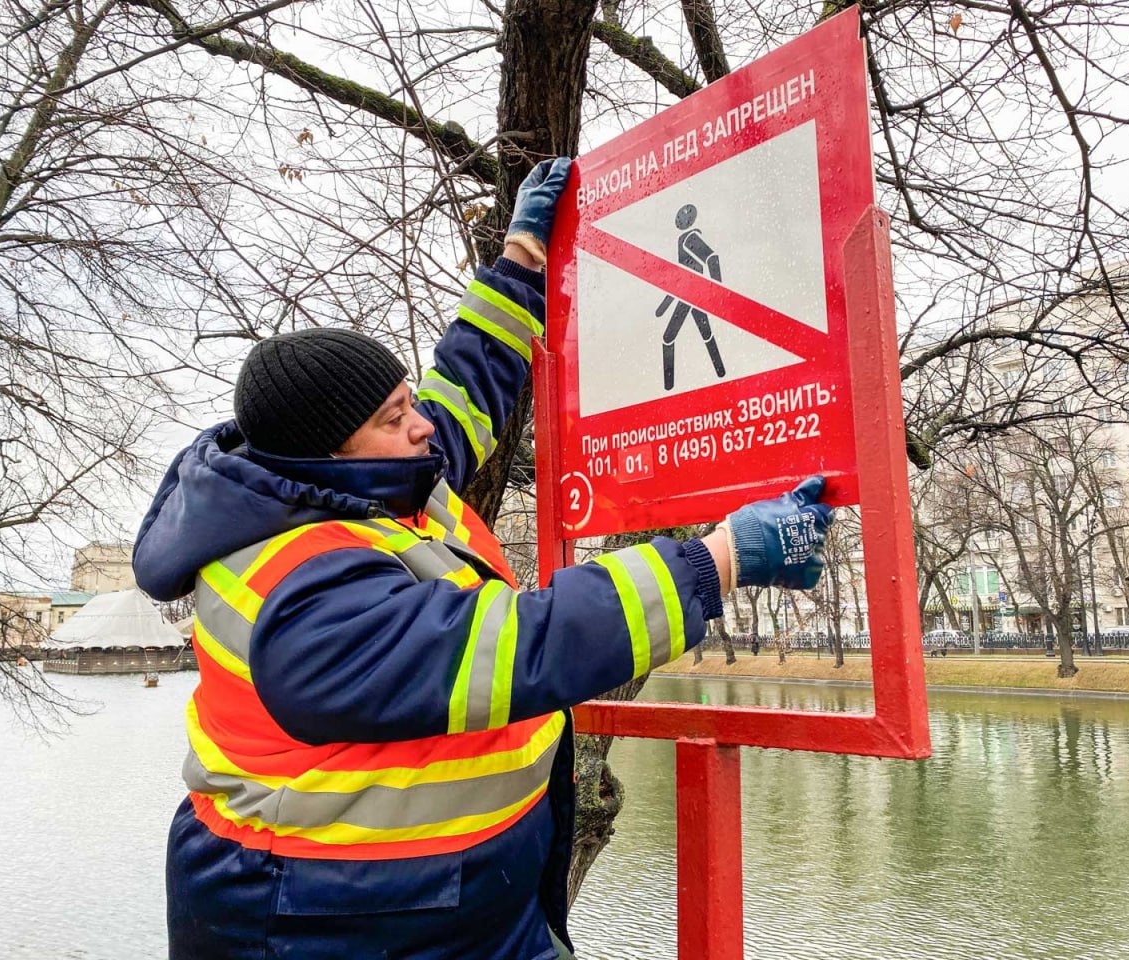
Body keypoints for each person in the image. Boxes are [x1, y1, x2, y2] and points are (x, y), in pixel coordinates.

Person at [133, 158, 834, 960]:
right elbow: (514, 644)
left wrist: (520, 266)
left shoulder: (373, 483)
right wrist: (720, 562)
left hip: (448, 904)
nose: (422, 425)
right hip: (326, 922)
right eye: (397, 416)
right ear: (335, 453)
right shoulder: (293, 586)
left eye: (406, 402)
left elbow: (463, 388)